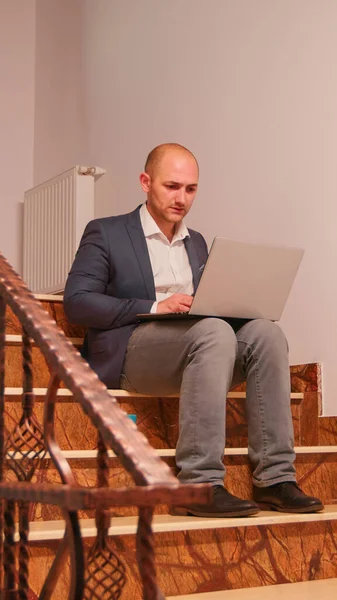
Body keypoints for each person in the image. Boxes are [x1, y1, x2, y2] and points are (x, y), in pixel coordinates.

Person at [64, 143, 323, 517]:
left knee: (266, 334)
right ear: (145, 182)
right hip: (131, 352)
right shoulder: (106, 232)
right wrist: (154, 306)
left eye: (190, 189)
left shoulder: (196, 242)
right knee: (214, 333)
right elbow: (77, 302)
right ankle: (199, 484)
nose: (181, 198)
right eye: (172, 186)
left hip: (196, 347)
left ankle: (275, 479)